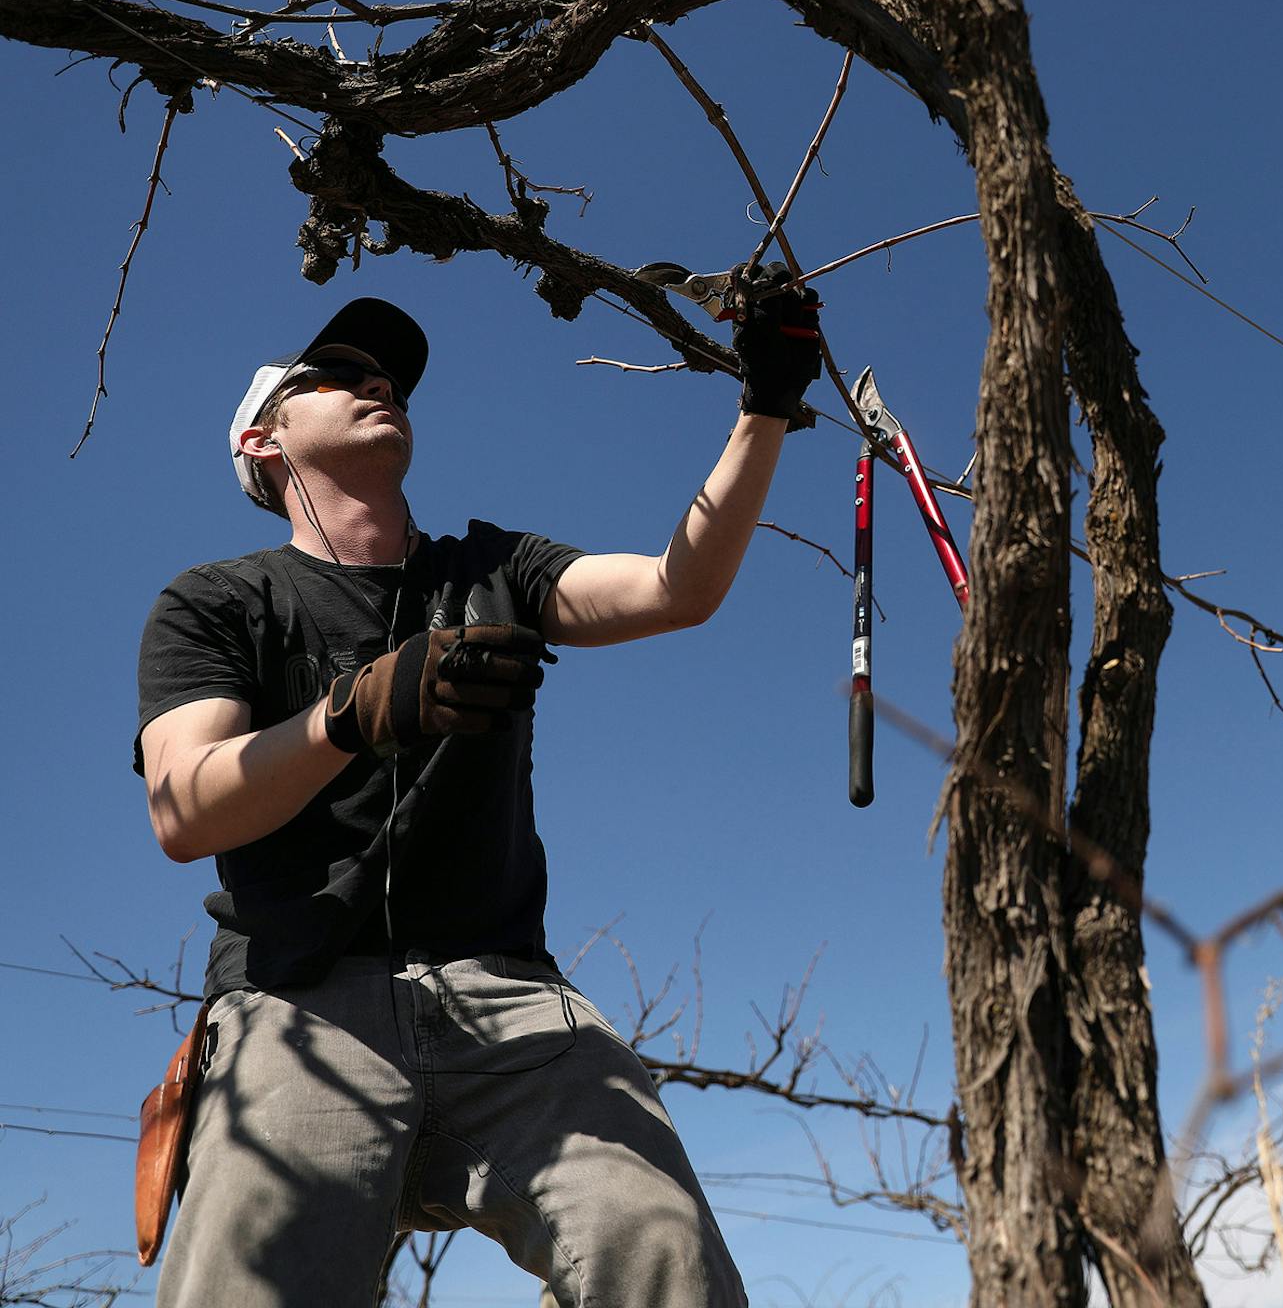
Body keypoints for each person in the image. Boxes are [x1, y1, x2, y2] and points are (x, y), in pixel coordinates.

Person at [133, 273, 822, 1307]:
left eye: (392, 378)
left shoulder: (494, 567)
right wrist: (352, 713)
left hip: (512, 1002)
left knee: (660, 1247)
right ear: (263, 443)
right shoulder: (218, 602)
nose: (380, 385)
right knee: (251, 1280)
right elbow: (184, 810)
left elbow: (679, 588)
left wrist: (766, 401)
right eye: (340, 374)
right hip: (298, 1004)